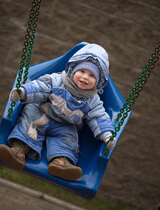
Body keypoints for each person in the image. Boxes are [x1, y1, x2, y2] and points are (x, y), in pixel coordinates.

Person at [0, 43, 116, 181]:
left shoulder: (93, 100)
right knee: (29, 121)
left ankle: (61, 163)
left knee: (69, 138)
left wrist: (107, 135)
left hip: (65, 124)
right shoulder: (56, 80)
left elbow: (99, 117)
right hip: (42, 112)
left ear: (98, 82)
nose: (85, 77)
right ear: (73, 69)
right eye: (82, 71)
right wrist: (23, 92)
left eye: (92, 75)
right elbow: (39, 87)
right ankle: (18, 152)